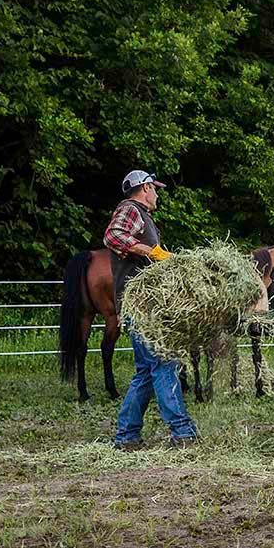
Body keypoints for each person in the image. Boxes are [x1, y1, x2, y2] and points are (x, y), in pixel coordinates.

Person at [104, 170, 198, 451]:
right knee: (164, 363)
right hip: (142, 306)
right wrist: (151, 252)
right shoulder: (131, 210)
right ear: (144, 188)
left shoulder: (143, 216)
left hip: (141, 305)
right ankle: (182, 432)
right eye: (154, 189)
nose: (157, 194)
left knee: (146, 372)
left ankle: (127, 437)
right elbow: (113, 236)